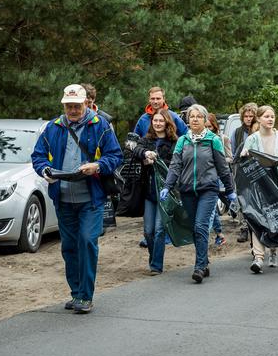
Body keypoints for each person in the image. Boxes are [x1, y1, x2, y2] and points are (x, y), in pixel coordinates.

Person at [31, 84, 122, 314]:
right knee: (69, 247)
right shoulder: (53, 127)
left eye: (77, 106)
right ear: (63, 105)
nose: (72, 110)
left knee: (87, 241)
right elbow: (38, 156)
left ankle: (86, 295)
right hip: (62, 198)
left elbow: (115, 156)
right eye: (68, 106)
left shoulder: (100, 125)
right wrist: (45, 171)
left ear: (86, 104)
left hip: (91, 198)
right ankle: (76, 293)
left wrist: (98, 166)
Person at [161, 104, 236, 283]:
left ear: (204, 120)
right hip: (187, 190)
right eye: (191, 116)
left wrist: (230, 191)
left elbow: (222, 168)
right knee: (194, 228)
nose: (194, 119)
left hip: (208, 189)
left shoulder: (212, 140)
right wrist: (167, 186)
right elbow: (175, 166)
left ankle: (199, 266)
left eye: (198, 117)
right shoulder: (182, 141)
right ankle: (204, 260)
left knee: (201, 225)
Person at [241, 105, 278, 272]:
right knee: (258, 219)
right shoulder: (252, 139)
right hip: (258, 185)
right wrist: (244, 155)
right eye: (266, 116)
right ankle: (258, 257)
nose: (270, 119)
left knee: (274, 220)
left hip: (277, 183)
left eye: (272, 116)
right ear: (259, 119)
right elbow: (244, 160)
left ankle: (273, 250)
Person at [132, 110, 177, 275]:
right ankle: (153, 257)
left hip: (165, 191)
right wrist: (145, 154)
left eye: (161, 121)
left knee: (159, 229)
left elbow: (175, 163)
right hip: (148, 191)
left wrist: (156, 159)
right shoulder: (146, 140)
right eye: (155, 121)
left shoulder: (174, 142)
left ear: (167, 123)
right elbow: (135, 150)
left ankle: (156, 265)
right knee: (148, 231)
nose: (158, 123)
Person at [231, 102, 258, 243]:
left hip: (257, 169)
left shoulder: (259, 130)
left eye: (251, 116)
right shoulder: (237, 132)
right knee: (242, 199)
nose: (248, 118)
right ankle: (244, 228)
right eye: (246, 116)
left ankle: (257, 227)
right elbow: (234, 153)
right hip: (241, 169)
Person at [206, 113, 232, 247]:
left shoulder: (223, 138)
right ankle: (219, 234)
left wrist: (218, 160)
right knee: (212, 208)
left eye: (210, 126)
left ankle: (208, 233)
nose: (208, 129)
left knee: (222, 204)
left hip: (220, 177)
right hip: (207, 178)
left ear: (214, 126)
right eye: (206, 126)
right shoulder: (201, 138)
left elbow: (230, 158)